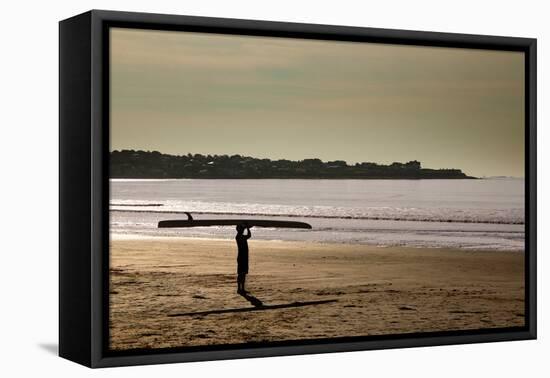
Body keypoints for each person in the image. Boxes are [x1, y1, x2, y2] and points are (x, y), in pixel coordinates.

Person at [235, 223, 252, 293]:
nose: (242, 230)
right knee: (241, 274)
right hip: (242, 257)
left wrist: (246, 228)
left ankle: (242, 289)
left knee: (243, 273)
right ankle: (239, 289)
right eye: (242, 229)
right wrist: (247, 228)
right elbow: (249, 235)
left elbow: (248, 235)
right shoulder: (239, 237)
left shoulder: (240, 236)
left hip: (243, 256)